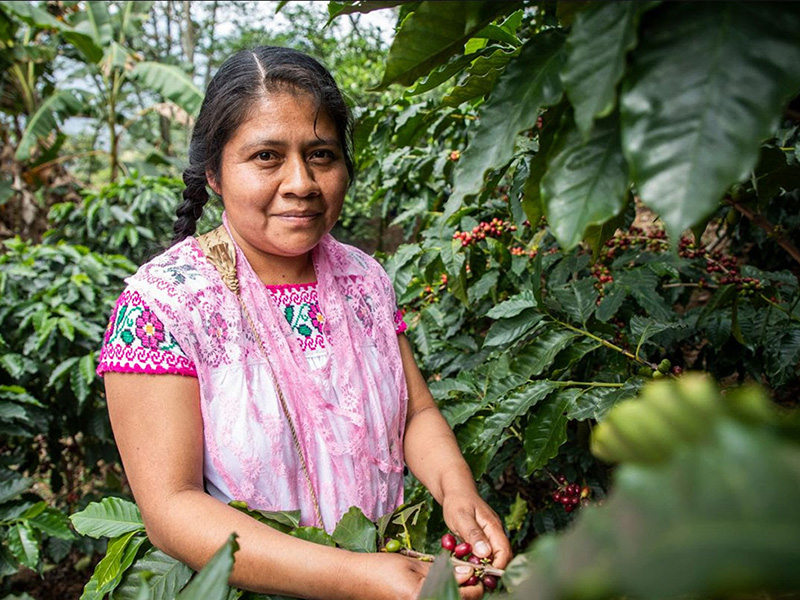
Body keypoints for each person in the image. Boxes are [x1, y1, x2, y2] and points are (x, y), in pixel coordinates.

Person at [97, 46, 511, 599]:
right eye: (267, 156)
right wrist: (358, 577)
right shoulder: (164, 306)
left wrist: (457, 490)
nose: (301, 182)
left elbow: (415, 413)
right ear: (215, 174)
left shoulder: (364, 279)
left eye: (321, 154)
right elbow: (172, 509)